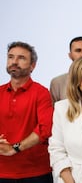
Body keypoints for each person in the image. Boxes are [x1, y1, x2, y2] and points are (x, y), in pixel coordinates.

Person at [0, 42, 54, 182]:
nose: (14, 62)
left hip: (36, 172)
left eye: (21, 58)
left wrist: (14, 148)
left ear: (32, 66)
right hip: (2, 171)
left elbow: (45, 129)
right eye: (11, 57)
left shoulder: (41, 93)